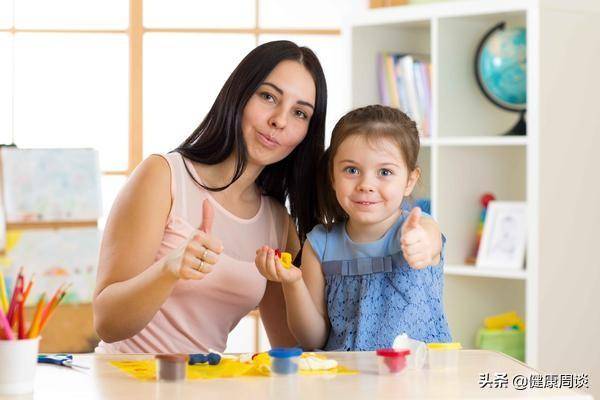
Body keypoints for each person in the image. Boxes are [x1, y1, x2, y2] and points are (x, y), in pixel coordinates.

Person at [92, 40, 327, 353]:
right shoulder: (163, 176)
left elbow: (292, 348)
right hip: (128, 384)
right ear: (239, 95)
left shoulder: (277, 223)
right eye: (268, 96)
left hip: (207, 385)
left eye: (299, 113)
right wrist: (169, 269)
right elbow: (107, 323)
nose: (280, 120)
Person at [255, 105, 451, 351]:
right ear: (333, 176)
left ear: (410, 180)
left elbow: (430, 242)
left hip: (419, 380)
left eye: (385, 172)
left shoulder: (419, 227)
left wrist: (422, 245)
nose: (366, 184)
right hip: (348, 381)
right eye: (352, 170)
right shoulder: (319, 245)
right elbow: (312, 340)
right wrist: (293, 283)